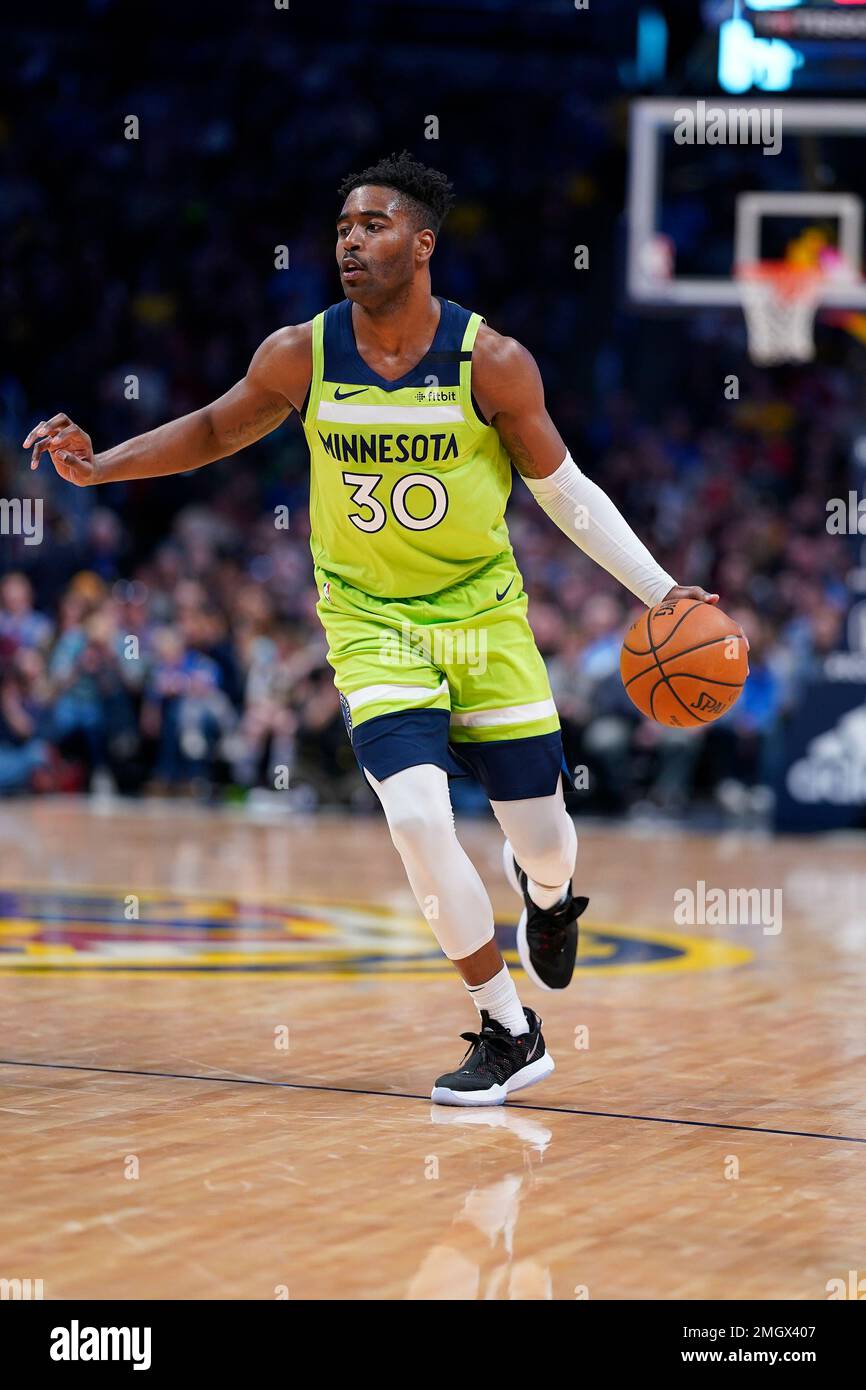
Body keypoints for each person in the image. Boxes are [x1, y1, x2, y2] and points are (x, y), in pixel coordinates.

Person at [24, 151, 717, 1105]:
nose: (351, 240)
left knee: (547, 842)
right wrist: (102, 467)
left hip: (483, 619)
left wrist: (663, 592)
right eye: (344, 227)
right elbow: (215, 429)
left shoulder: (495, 362)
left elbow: (564, 492)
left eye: (375, 225)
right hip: (369, 622)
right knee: (418, 815)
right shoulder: (301, 353)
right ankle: (509, 1030)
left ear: (423, 244)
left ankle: (548, 901)